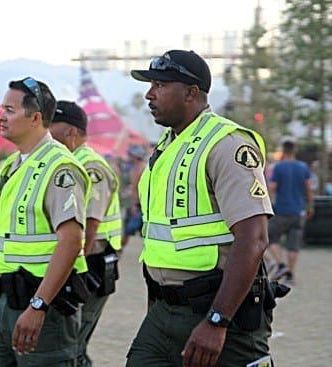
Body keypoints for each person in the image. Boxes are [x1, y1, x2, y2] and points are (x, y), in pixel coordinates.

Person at [126, 50, 276, 367]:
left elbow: (254, 238)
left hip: (219, 312)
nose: (149, 94)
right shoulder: (167, 147)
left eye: (160, 85)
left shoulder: (227, 143)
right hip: (164, 313)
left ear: (191, 92)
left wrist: (217, 321)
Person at [0, 77, 91, 367]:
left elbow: (71, 241)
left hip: (44, 309)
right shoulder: (11, 165)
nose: (1, 116)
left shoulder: (61, 167)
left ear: (35, 118)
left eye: (9, 110)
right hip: (0, 304)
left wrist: (39, 304)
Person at [50, 100, 122, 367]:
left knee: (74, 344)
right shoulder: (67, 161)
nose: (46, 131)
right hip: (78, 262)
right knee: (67, 342)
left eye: (51, 125)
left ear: (71, 132)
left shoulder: (91, 166)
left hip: (90, 263)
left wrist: (75, 269)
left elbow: (91, 224)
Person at [267, 140, 313, 285]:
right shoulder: (303, 167)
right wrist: (309, 206)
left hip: (281, 210)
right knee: (293, 244)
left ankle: (280, 264)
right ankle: (290, 275)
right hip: (298, 211)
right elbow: (309, 188)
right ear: (295, 150)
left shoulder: (278, 167)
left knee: (270, 237)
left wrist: (267, 204)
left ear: (283, 150)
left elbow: (272, 188)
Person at [122, 145, 146, 247]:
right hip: (141, 203)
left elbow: (136, 188)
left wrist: (133, 205)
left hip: (138, 204)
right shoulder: (140, 167)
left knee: (128, 231)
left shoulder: (139, 169)